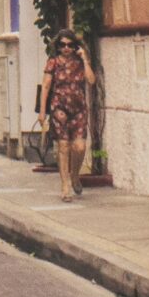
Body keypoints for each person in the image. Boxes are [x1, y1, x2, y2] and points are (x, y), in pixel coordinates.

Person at [42, 33, 93, 201]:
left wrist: (85, 59)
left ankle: (75, 175)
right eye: (63, 45)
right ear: (58, 46)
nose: (66, 48)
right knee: (63, 147)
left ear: (75, 46)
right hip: (59, 109)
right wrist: (43, 112)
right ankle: (65, 186)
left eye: (70, 45)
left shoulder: (80, 62)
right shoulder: (53, 62)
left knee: (79, 147)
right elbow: (46, 86)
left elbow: (91, 81)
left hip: (78, 110)